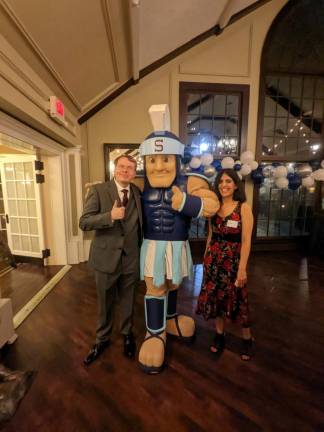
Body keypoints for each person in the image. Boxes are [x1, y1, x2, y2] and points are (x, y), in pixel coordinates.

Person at [138, 121, 219, 374]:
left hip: (177, 245)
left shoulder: (192, 181)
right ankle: (154, 334)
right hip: (152, 245)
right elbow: (119, 191)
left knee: (172, 284)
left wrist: (185, 201)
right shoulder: (140, 184)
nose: (159, 166)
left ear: (177, 159)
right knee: (155, 286)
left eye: (165, 160)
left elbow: (212, 205)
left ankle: (170, 320)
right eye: (153, 160)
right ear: (145, 162)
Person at [79, 155, 142, 365]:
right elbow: (84, 222)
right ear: (115, 170)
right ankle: (101, 339)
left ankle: (127, 335)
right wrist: (110, 216)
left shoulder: (137, 193)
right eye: (122, 167)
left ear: (134, 172)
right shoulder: (98, 191)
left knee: (128, 300)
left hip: (131, 258)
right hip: (106, 258)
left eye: (130, 168)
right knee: (105, 303)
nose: (126, 171)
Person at [196, 168, 254, 361]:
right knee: (216, 300)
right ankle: (219, 335)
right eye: (221, 182)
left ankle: (247, 339)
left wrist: (243, 269)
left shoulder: (243, 208)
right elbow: (210, 235)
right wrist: (205, 258)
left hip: (234, 262)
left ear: (236, 185)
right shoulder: (214, 207)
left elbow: (246, 241)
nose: (224, 185)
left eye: (228, 181)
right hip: (214, 261)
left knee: (239, 300)